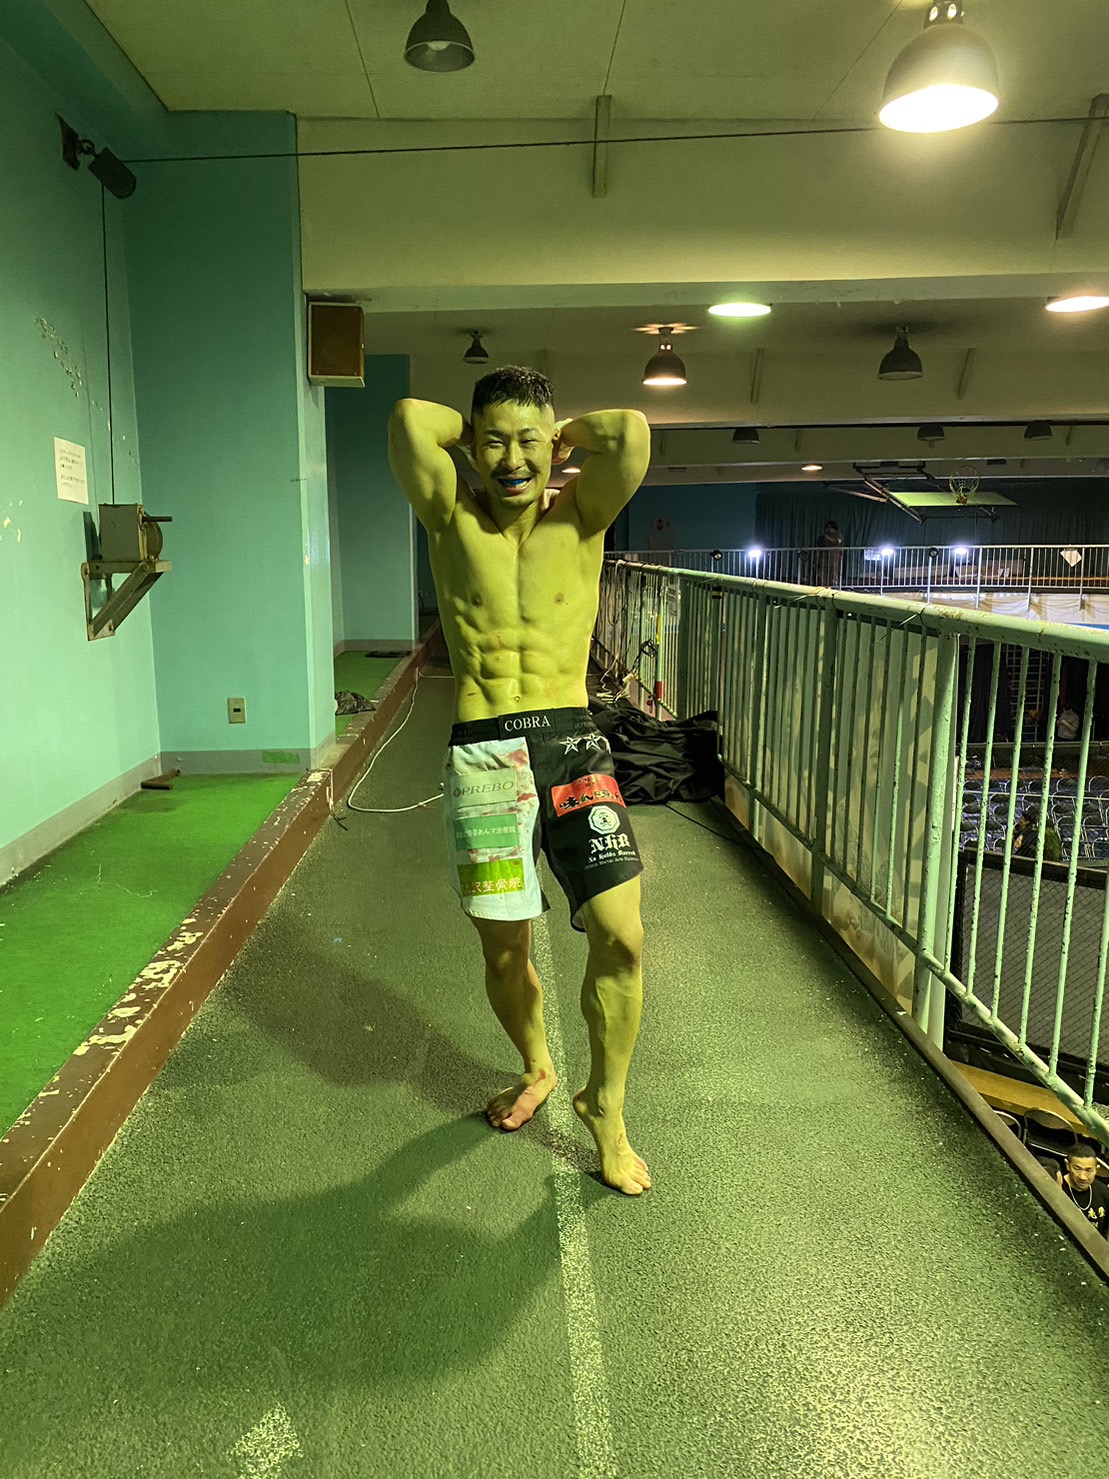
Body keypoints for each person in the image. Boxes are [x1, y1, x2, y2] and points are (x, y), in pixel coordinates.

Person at [387, 366, 653, 1195]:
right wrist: (485, 435)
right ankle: (537, 1065)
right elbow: (408, 419)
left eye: (527, 442)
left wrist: (556, 434)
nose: (512, 460)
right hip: (485, 757)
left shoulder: (581, 516)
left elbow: (631, 434)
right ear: (471, 446)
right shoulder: (449, 515)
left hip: (572, 747)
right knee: (505, 948)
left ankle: (605, 1108)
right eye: (494, 442)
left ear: (553, 445)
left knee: (622, 936)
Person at [1056, 1142, 1109, 1236]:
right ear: (1068, 1165)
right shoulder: (1058, 1189)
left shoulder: (1103, 1192)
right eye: (1077, 1169)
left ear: (1096, 1169)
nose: (1082, 1177)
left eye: (1088, 1170)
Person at [814, 520, 844, 587]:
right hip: (824, 556)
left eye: (830, 527)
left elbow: (837, 542)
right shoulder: (824, 535)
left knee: (833, 571)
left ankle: (833, 585)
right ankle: (823, 585)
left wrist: (828, 538)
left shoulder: (838, 534)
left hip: (834, 556)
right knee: (823, 570)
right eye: (828, 527)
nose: (829, 529)